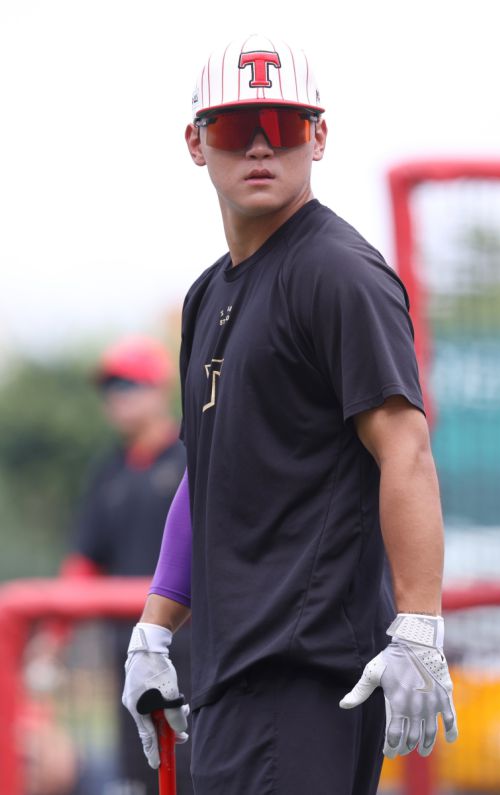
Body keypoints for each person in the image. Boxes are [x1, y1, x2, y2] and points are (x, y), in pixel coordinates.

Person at [122, 35, 458, 795]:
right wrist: (154, 628)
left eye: (285, 122)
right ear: (196, 143)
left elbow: (405, 448)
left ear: (320, 136)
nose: (262, 144)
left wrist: (419, 626)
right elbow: (206, 473)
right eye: (237, 125)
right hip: (231, 678)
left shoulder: (339, 272)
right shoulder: (208, 293)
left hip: (305, 676)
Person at [30, 337, 192, 795]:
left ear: (159, 389)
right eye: (111, 387)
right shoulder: (108, 471)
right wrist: (53, 640)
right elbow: (85, 562)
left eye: (130, 385)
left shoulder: (189, 456)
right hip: (131, 653)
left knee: (197, 769)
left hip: (197, 648)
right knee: (138, 774)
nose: (118, 397)